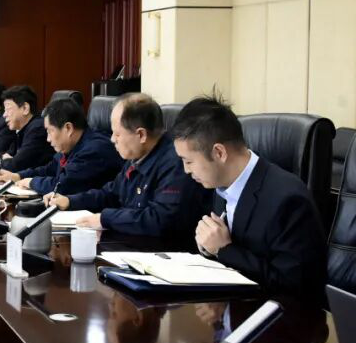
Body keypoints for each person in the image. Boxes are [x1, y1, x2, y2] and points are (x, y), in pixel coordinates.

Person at [171, 95, 327, 298]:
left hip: (279, 313)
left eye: (189, 161)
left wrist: (224, 250)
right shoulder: (220, 183)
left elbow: (293, 286)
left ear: (219, 153)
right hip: (230, 304)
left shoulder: (288, 199)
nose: (186, 170)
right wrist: (209, 246)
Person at [45, 93, 210, 237]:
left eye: (117, 134)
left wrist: (105, 219)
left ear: (141, 135)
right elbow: (111, 193)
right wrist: (70, 201)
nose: (112, 139)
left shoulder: (176, 163)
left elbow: (160, 219)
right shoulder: (138, 156)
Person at [0, 97, 121, 196]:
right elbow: (50, 169)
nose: (48, 139)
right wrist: (18, 176)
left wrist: (31, 182)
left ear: (68, 128)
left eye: (50, 131)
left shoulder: (94, 150)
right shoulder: (72, 145)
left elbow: (62, 185)